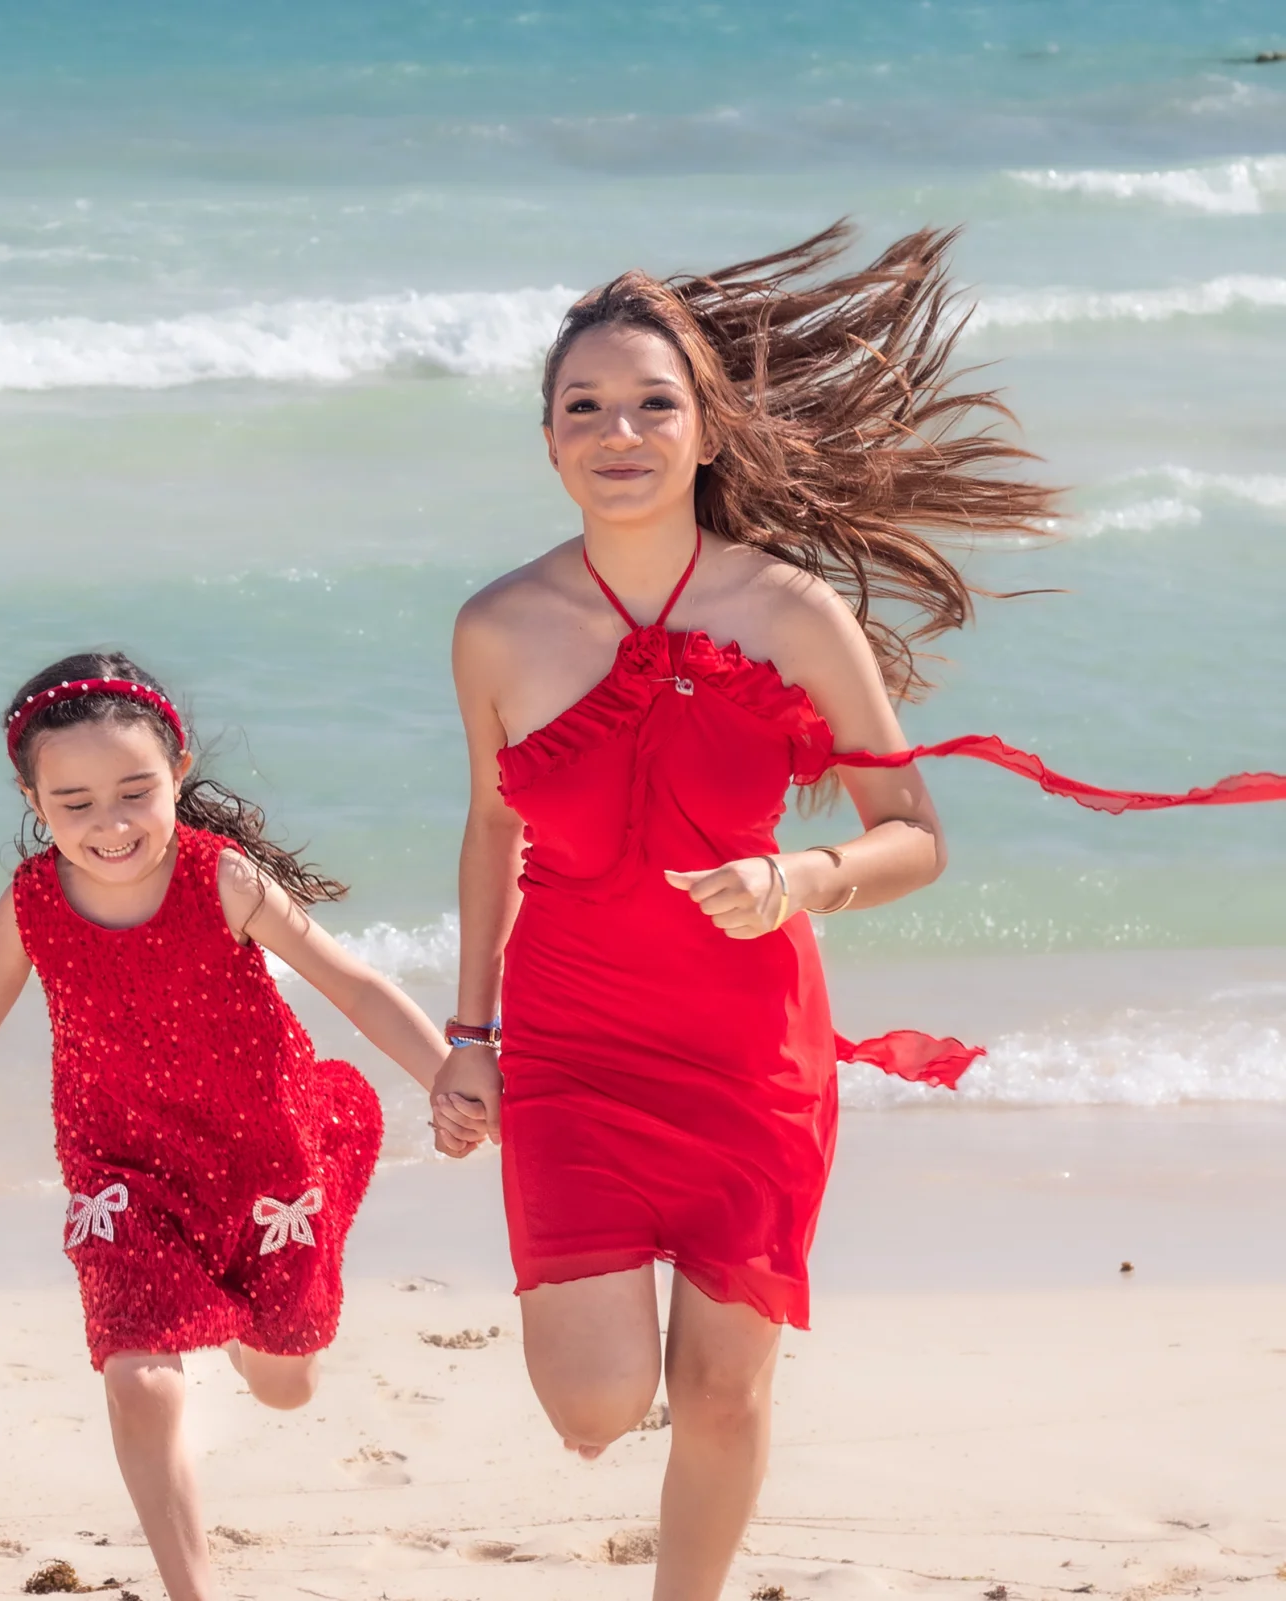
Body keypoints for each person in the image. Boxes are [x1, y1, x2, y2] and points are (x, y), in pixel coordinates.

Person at [437, 222, 1286, 1601]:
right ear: (545, 440)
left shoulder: (791, 612)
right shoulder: (497, 625)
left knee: (719, 1390)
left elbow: (912, 841)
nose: (620, 431)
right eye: (582, 407)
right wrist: (465, 1032)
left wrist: (799, 879)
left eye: (655, 402)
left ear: (707, 431)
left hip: (744, 1051)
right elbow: (488, 827)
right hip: (572, 1046)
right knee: (592, 1408)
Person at [0, 652, 455, 1601]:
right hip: (124, 1173)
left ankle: (239, 1317)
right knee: (140, 1379)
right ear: (32, 795)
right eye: (75, 802)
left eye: (136, 791)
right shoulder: (31, 903)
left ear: (178, 769)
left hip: (267, 1160)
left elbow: (354, 986)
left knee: (285, 1380)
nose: (110, 824)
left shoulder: (222, 879)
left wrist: (447, 1076)